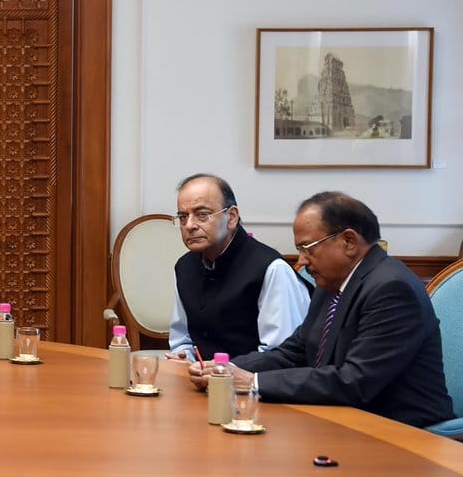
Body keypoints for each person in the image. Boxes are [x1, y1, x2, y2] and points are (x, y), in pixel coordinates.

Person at [188, 192, 453, 428]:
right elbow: (294, 352)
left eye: (307, 248)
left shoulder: (392, 289)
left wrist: (253, 383)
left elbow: (354, 381)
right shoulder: (332, 283)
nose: (301, 262)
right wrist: (226, 369)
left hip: (402, 434)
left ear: (349, 241)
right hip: (344, 420)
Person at [167, 174, 310, 360]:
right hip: (200, 380)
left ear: (232, 217)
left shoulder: (271, 269)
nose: (190, 225)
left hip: (257, 384)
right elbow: (182, 340)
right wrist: (184, 360)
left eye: (202, 215)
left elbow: (282, 355)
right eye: (183, 217)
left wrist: (228, 372)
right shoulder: (185, 266)